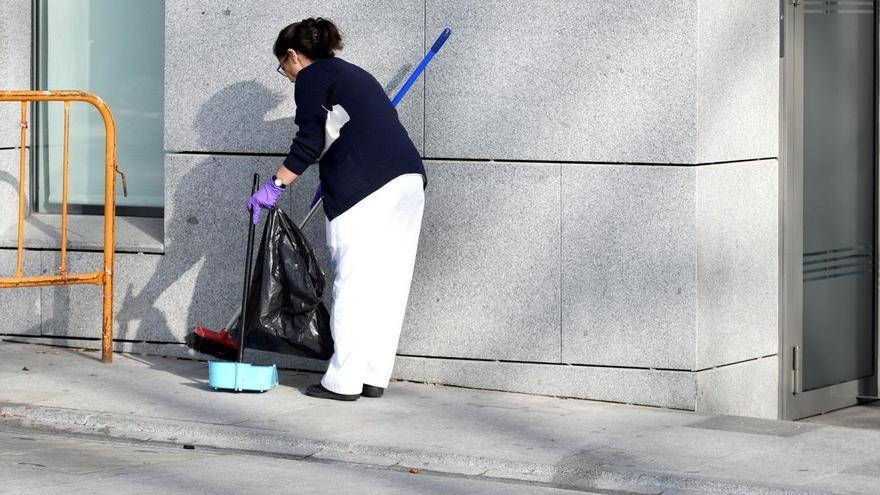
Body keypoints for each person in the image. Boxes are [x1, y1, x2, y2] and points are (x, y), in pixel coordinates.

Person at [247, 17, 426, 401]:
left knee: (353, 281)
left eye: (285, 68)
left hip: (365, 189)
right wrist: (329, 176)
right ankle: (373, 376)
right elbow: (349, 131)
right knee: (388, 283)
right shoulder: (354, 74)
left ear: (293, 55)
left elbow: (310, 139)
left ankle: (343, 381)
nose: (289, 76)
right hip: (408, 181)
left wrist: (275, 186)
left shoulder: (313, 78)